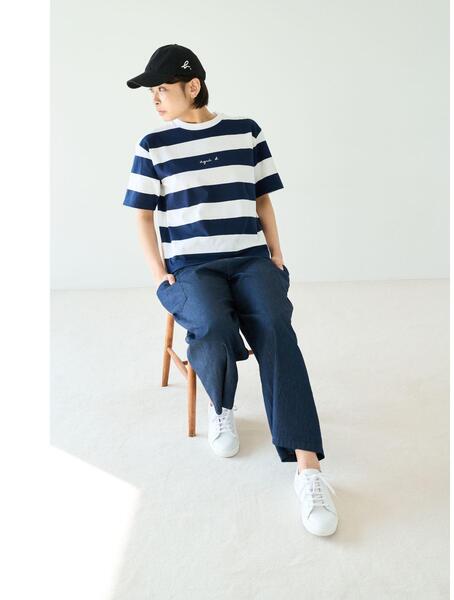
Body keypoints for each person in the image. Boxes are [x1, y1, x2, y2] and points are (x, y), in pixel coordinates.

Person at [123, 43, 338, 536]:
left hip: (250, 259)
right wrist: (158, 274)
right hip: (191, 268)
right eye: (151, 91)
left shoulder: (246, 132)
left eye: (162, 88)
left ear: (193, 86)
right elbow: (142, 216)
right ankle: (221, 405)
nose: (154, 99)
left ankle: (309, 470)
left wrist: (276, 253)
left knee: (276, 329)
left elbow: (263, 201)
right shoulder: (153, 145)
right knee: (213, 325)